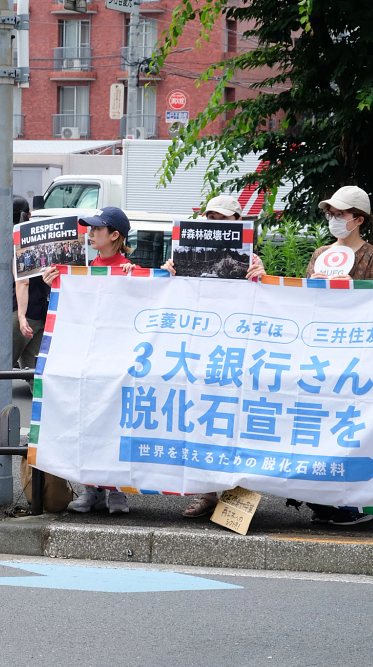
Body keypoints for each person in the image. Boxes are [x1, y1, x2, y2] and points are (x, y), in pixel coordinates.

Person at [250, 186, 373, 526]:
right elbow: (303, 303)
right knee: (320, 425)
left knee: (352, 428)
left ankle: (355, 503)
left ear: (358, 219)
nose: (334, 219)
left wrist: (353, 290)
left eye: (340, 214)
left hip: (359, 357)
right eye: (331, 213)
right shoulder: (320, 253)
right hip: (321, 354)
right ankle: (322, 500)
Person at [159, 195, 263, 517]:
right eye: (210, 217)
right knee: (201, 417)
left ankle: (236, 501)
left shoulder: (251, 257)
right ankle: (207, 494)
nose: (214, 224)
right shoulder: (184, 255)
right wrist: (168, 275)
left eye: (223, 219)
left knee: (237, 420)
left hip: (236, 350)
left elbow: (266, 299)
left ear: (237, 223)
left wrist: (260, 273)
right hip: (199, 349)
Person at [43, 206, 136, 515]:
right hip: (87, 360)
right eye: (90, 228)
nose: (90, 233)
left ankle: (118, 491)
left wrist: (134, 279)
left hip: (119, 361)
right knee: (88, 421)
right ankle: (91, 489)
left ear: (115, 235)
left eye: (98, 229)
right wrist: (54, 284)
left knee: (115, 423)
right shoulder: (82, 268)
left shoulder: (129, 269)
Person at [14, 195, 50, 394]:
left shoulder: (14, 239)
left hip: (23, 312)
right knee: (34, 371)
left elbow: (22, 282)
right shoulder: (39, 236)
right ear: (29, 214)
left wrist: (20, 316)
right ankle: (46, 414)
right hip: (42, 310)